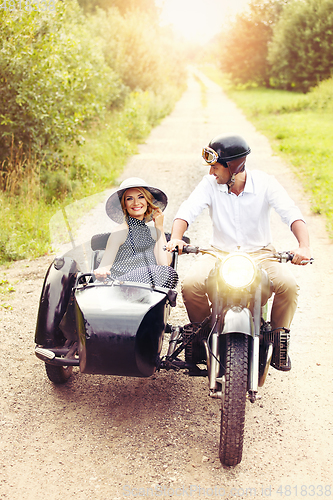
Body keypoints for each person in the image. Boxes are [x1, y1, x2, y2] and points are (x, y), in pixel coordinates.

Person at [166, 134, 312, 370]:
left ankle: (277, 338)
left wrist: (303, 246)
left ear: (233, 167)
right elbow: (187, 210)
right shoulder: (210, 185)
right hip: (218, 252)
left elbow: (291, 213)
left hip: (260, 253)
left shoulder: (265, 183)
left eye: (215, 167)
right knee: (191, 285)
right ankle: (201, 335)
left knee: (289, 285)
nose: (211, 173)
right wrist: (175, 238)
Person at [94, 177, 178, 288]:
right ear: (124, 204)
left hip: (148, 290)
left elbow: (163, 264)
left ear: (148, 202)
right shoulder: (120, 231)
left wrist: (159, 227)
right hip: (121, 286)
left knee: (169, 273)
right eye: (129, 199)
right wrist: (101, 272)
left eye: (141, 197)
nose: (136, 202)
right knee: (160, 272)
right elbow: (105, 266)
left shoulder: (153, 233)